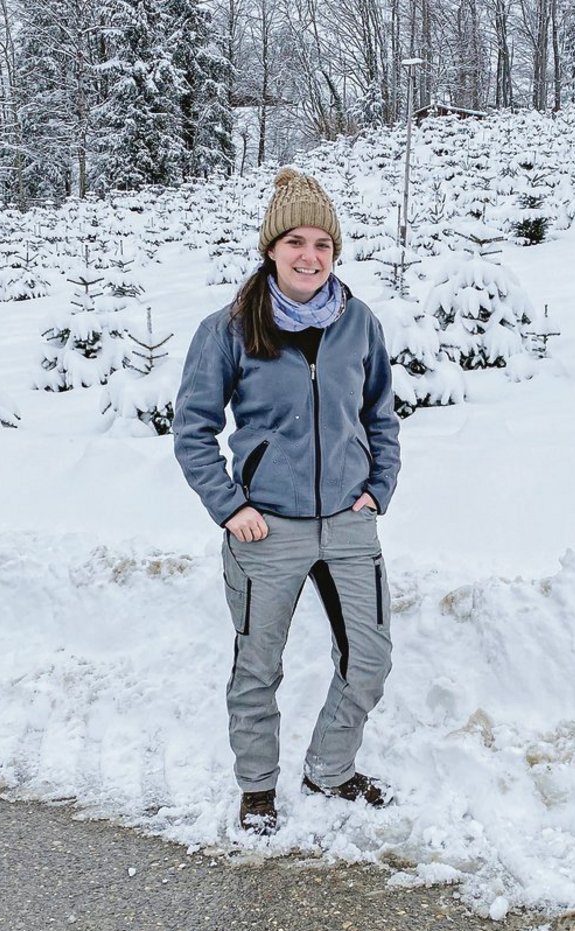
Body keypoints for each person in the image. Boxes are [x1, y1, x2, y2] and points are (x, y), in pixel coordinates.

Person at [173, 168, 401, 836]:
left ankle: (329, 769)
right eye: (296, 241)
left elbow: (381, 415)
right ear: (271, 249)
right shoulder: (231, 328)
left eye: (323, 244)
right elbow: (192, 429)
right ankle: (258, 788)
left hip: (349, 524)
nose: (310, 256)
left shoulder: (359, 323)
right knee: (257, 666)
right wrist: (229, 505)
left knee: (371, 658)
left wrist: (377, 490)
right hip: (265, 531)